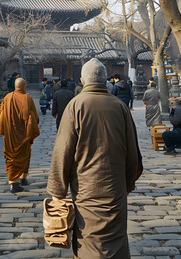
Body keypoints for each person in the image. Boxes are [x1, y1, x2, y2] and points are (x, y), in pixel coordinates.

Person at [47, 58, 143, 259]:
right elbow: (133, 154)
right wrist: (127, 185)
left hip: (85, 191)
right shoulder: (120, 107)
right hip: (115, 190)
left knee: (87, 241)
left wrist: (58, 192)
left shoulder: (75, 106)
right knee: (116, 242)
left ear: (82, 80)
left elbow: (62, 152)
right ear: (104, 80)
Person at [0, 77, 40, 192]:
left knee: (10, 157)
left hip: (10, 134)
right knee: (25, 155)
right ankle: (23, 178)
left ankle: (12, 182)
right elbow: (34, 117)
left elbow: (2, 113)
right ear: (24, 87)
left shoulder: (7, 98)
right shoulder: (28, 98)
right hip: (24, 134)